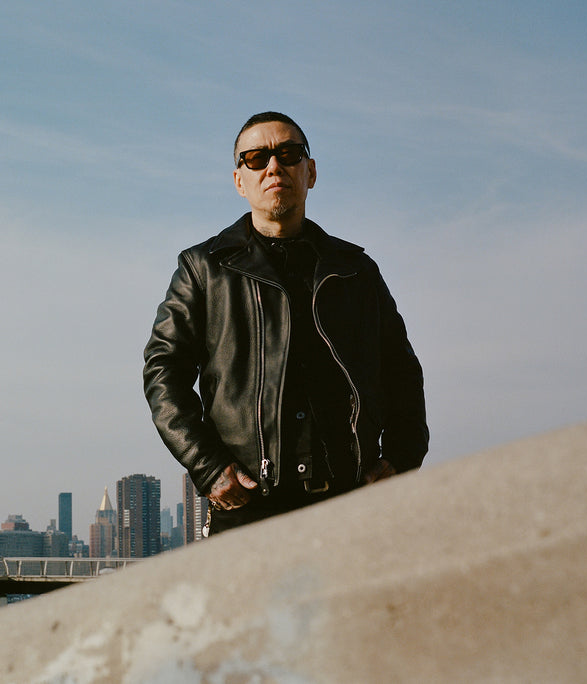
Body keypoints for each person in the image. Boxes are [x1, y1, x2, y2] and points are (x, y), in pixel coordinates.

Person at [143, 112, 428, 535]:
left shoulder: (354, 271)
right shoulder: (204, 269)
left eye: (289, 153)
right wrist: (208, 466)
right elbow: (163, 371)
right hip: (248, 504)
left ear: (309, 172)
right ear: (240, 180)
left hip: (350, 502)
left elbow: (401, 371)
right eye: (256, 158)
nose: (274, 166)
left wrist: (401, 459)